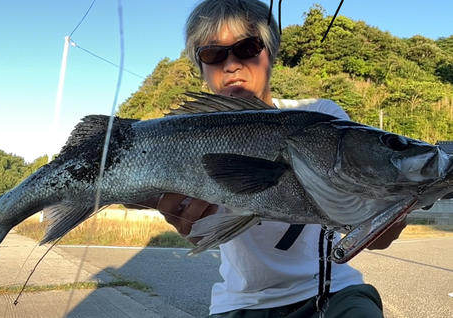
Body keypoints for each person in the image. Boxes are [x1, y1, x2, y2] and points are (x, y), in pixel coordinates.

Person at [129, 0, 407, 317]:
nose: (231, 64)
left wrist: (392, 205)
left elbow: (380, 236)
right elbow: (206, 229)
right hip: (239, 303)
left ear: (270, 52)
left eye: (247, 47)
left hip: (332, 291)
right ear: (201, 68)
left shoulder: (321, 118)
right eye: (213, 54)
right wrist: (187, 222)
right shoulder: (189, 139)